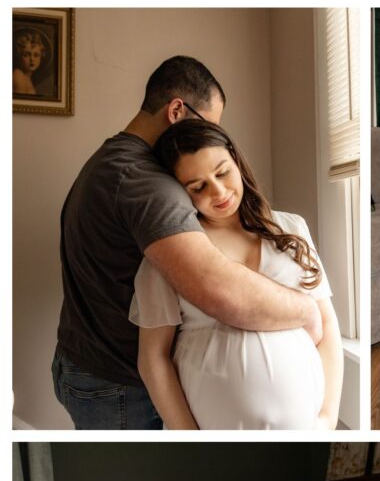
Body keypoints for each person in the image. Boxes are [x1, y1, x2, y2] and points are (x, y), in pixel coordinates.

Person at [53, 55, 323, 429]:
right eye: (207, 124)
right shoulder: (147, 184)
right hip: (118, 384)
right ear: (177, 110)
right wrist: (307, 311)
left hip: (86, 361)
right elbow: (220, 291)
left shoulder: (109, 159)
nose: (207, 138)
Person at [129, 119, 342, 429]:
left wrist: (327, 416)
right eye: (198, 187)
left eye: (223, 172)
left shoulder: (290, 228)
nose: (219, 192)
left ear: (236, 161)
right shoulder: (174, 255)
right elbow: (153, 357)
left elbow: (327, 321)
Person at [13, 29, 45, 95]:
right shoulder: (18, 76)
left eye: (36, 55)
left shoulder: (27, 77)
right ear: (19, 56)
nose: (32, 59)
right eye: (26, 55)